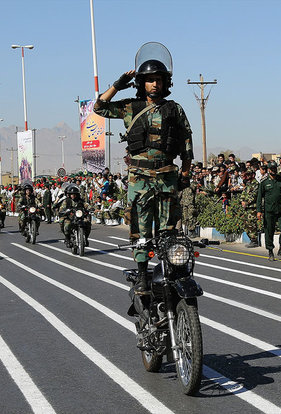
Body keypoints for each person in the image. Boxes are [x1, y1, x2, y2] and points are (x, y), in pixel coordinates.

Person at [93, 42, 194, 294]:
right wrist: (117, 85)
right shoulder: (130, 107)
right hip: (139, 177)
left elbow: (186, 142)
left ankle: (171, 270)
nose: (154, 84)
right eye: (149, 80)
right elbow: (99, 107)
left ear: (165, 82)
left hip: (167, 175)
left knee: (168, 228)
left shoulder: (175, 109)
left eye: (158, 79)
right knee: (140, 227)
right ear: (142, 83)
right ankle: (141, 275)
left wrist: (185, 172)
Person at [257, 161, 281, 261]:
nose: (273, 170)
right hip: (269, 210)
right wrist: (259, 211)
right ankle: (270, 251)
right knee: (269, 231)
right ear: (268, 170)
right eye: (271, 169)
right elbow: (259, 197)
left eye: (274, 169)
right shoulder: (264, 182)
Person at [240, 171, 260, 248]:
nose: (247, 176)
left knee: (251, 223)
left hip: (252, 207)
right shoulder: (248, 184)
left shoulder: (256, 184)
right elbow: (244, 193)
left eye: (249, 174)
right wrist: (242, 200)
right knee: (245, 223)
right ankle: (251, 238)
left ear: (253, 175)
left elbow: (254, 195)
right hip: (247, 207)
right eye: (246, 174)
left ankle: (254, 240)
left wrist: (247, 202)